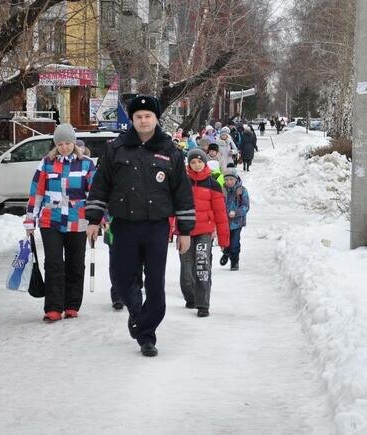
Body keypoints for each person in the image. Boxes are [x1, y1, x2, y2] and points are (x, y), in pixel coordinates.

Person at [85, 95, 195, 358]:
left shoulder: (171, 151)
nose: (143, 120)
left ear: (156, 119)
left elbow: (182, 193)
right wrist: (93, 219)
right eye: (138, 117)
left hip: (156, 227)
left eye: (148, 116)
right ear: (132, 120)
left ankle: (147, 336)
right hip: (124, 226)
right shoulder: (116, 149)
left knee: (155, 286)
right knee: (123, 281)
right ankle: (137, 315)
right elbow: (101, 185)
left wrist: (185, 230)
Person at [23, 124, 96, 322]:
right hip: (51, 220)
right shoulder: (47, 163)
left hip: (77, 221)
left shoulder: (86, 164)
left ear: (74, 142)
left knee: (75, 263)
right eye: (60, 143)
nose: (64, 147)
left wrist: (97, 220)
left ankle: (72, 305)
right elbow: (36, 192)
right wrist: (30, 218)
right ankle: (53, 308)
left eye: (68, 143)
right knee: (54, 263)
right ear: (55, 144)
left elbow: (94, 194)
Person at [177, 149, 230, 317]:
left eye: (200, 162)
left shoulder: (213, 183)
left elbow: (220, 213)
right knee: (186, 268)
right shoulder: (181, 181)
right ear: (189, 164)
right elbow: (173, 207)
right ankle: (190, 297)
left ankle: (203, 304)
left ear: (205, 163)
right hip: (185, 231)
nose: (197, 165)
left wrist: (224, 239)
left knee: (202, 264)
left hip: (205, 231)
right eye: (193, 162)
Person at [220, 167, 249, 271]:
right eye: (226, 180)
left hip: (237, 222)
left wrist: (236, 212)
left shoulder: (242, 191)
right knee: (225, 241)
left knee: (235, 242)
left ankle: (234, 261)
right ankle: (226, 252)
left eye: (231, 179)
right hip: (224, 221)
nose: (229, 182)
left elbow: (245, 206)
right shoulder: (222, 190)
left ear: (236, 179)